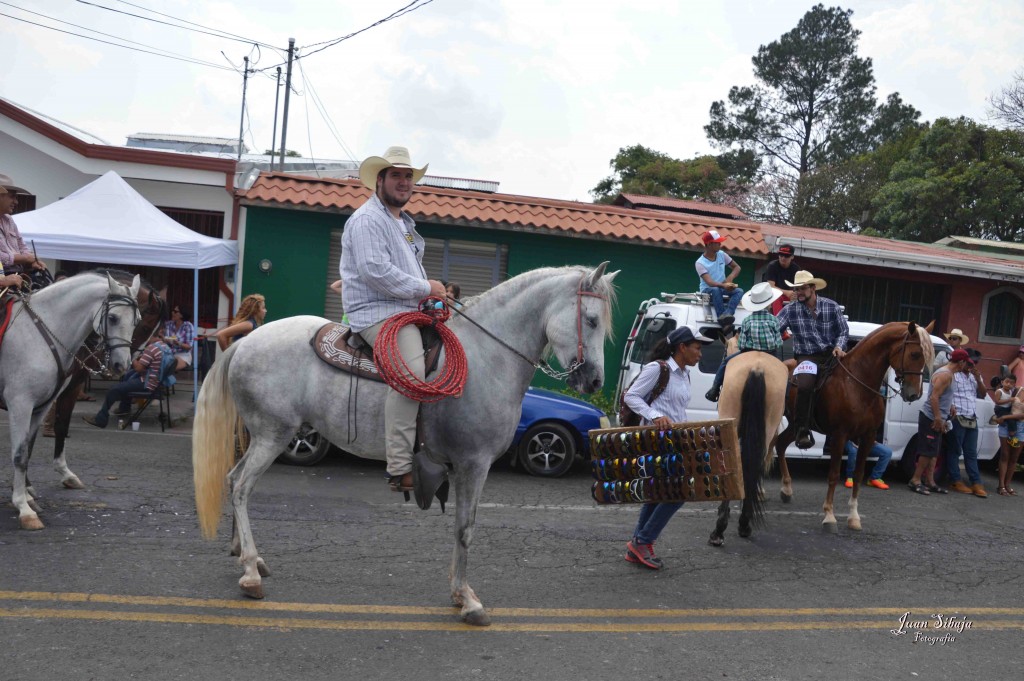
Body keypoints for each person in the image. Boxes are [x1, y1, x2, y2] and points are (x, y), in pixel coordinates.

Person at [340, 146, 446, 493]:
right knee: (413, 375)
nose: (403, 182)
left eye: (408, 177)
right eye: (396, 175)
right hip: (378, 313)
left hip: (405, 310)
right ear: (380, 180)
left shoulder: (402, 224)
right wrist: (425, 287)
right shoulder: (368, 219)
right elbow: (375, 272)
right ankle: (400, 468)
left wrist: (430, 294)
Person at [622, 326, 713, 570]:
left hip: (675, 442)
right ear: (682, 347)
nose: (700, 354)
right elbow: (631, 396)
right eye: (696, 348)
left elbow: (677, 410)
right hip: (654, 441)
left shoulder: (684, 374)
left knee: (658, 492)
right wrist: (655, 415)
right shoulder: (658, 369)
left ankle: (637, 544)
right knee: (679, 492)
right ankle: (643, 541)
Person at [775, 270, 849, 449]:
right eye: (796, 289)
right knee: (805, 385)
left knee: (852, 380)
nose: (798, 292)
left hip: (832, 354)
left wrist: (839, 347)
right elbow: (774, 327)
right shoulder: (790, 309)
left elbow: (843, 331)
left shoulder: (832, 306)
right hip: (807, 356)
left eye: (802, 288)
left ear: (813, 288)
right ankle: (802, 430)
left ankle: (852, 424)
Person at [705, 282, 783, 402]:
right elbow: (778, 342)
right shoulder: (774, 320)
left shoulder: (747, 320)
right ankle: (785, 399)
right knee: (783, 372)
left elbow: (741, 344)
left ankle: (714, 390)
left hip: (748, 353)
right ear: (769, 303)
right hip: (770, 354)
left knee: (726, 362)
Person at [908, 349, 970, 495]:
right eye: (965, 363)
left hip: (940, 416)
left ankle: (930, 482)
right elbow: (934, 397)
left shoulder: (951, 374)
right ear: (961, 362)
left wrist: (951, 406)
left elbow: (943, 395)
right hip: (931, 417)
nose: (966, 366)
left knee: (934, 452)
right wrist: (937, 418)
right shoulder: (945, 375)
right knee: (927, 451)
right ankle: (915, 480)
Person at [82, 337, 170, 429]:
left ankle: (100, 420)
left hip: (147, 383)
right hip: (158, 383)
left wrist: (133, 357)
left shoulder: (152, 349)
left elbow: (139, 368)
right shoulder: (165, 347)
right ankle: (124, 408)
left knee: (113, 390)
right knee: (127, 378)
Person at [943, 353, 988, 498]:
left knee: (971, 452)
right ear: (963, 362)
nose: (971, 366)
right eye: (969, 364)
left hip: (972, 416)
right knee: (955, 450)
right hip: (957, 416)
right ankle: (955, 480)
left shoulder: (976, 376)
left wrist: (978, 379)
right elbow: (944, 393)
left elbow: (983, 394)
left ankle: (976, 481)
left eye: (974, 364)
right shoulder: (953, 375)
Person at [695, 229, 743, 329]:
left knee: (739, 291)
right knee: (715, 290)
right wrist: (724, 285)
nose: (720, 244)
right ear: (708, 244)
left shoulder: (722, 254)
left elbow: (737, 267)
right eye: (717, 243)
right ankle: (722, 318)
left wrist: (730, 277)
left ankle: (728, 314)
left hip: (722, 287)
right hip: (708, 290)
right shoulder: (699, 263)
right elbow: (709, 282)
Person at [0, 174, 45, 275]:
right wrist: (25, 258)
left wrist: (31, 261)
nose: (16, 202)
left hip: (15, 275)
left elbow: (22, 245)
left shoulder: (9, 220)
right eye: (12, 197)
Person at [994, 375, 1022, 496]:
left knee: (1014, 458)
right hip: (1006, 425)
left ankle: (1008, 484)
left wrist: (1005, 417)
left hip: (1021, 428)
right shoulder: (1017, 390)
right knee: (1005, 455)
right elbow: (1001, 404)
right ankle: (1001, 486)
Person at [763, 244, 798, 314]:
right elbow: (771, 286)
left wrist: (794, 295)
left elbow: (798, 287)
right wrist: (787, 292)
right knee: (776, 297)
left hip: (791, 296)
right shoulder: (772, 266)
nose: (783, 258)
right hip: (774, 295)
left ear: (792, 257)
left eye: (786, 256)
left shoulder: (796, 269)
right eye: (781, 255)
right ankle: (778, 320)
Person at [163, 304, 196, 371]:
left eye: (175, 311)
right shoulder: (169, 324)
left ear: (182, 315)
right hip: (168, 353)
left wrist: (178, 343)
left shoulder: (188, 326)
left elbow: (189, 346)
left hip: (183, 354)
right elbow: (162, 337)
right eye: (172, 311)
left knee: (168, 369)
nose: (172, 313)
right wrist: (162, 337)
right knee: (159, 367)